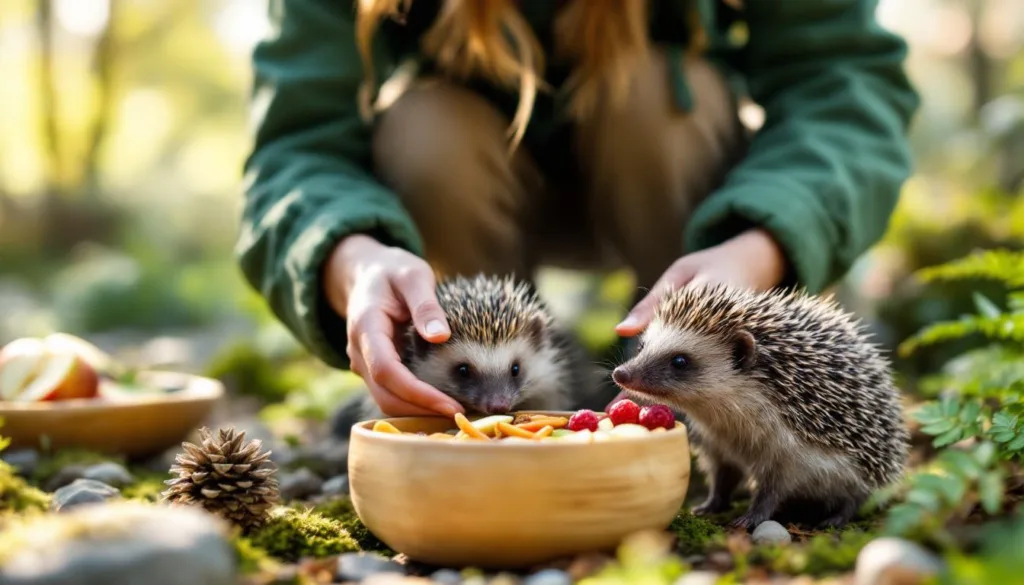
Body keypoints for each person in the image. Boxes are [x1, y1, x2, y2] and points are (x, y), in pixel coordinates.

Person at [237, 0, 920, 418]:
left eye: (507, 379)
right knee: (426, 129)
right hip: (464, 181)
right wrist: (350, 258)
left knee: (652, 99)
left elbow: (844, 87)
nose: (501, 391)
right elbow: (297, 146)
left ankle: (686, 384)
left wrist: (761, 245)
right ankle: (447, 405)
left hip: (669, 175)